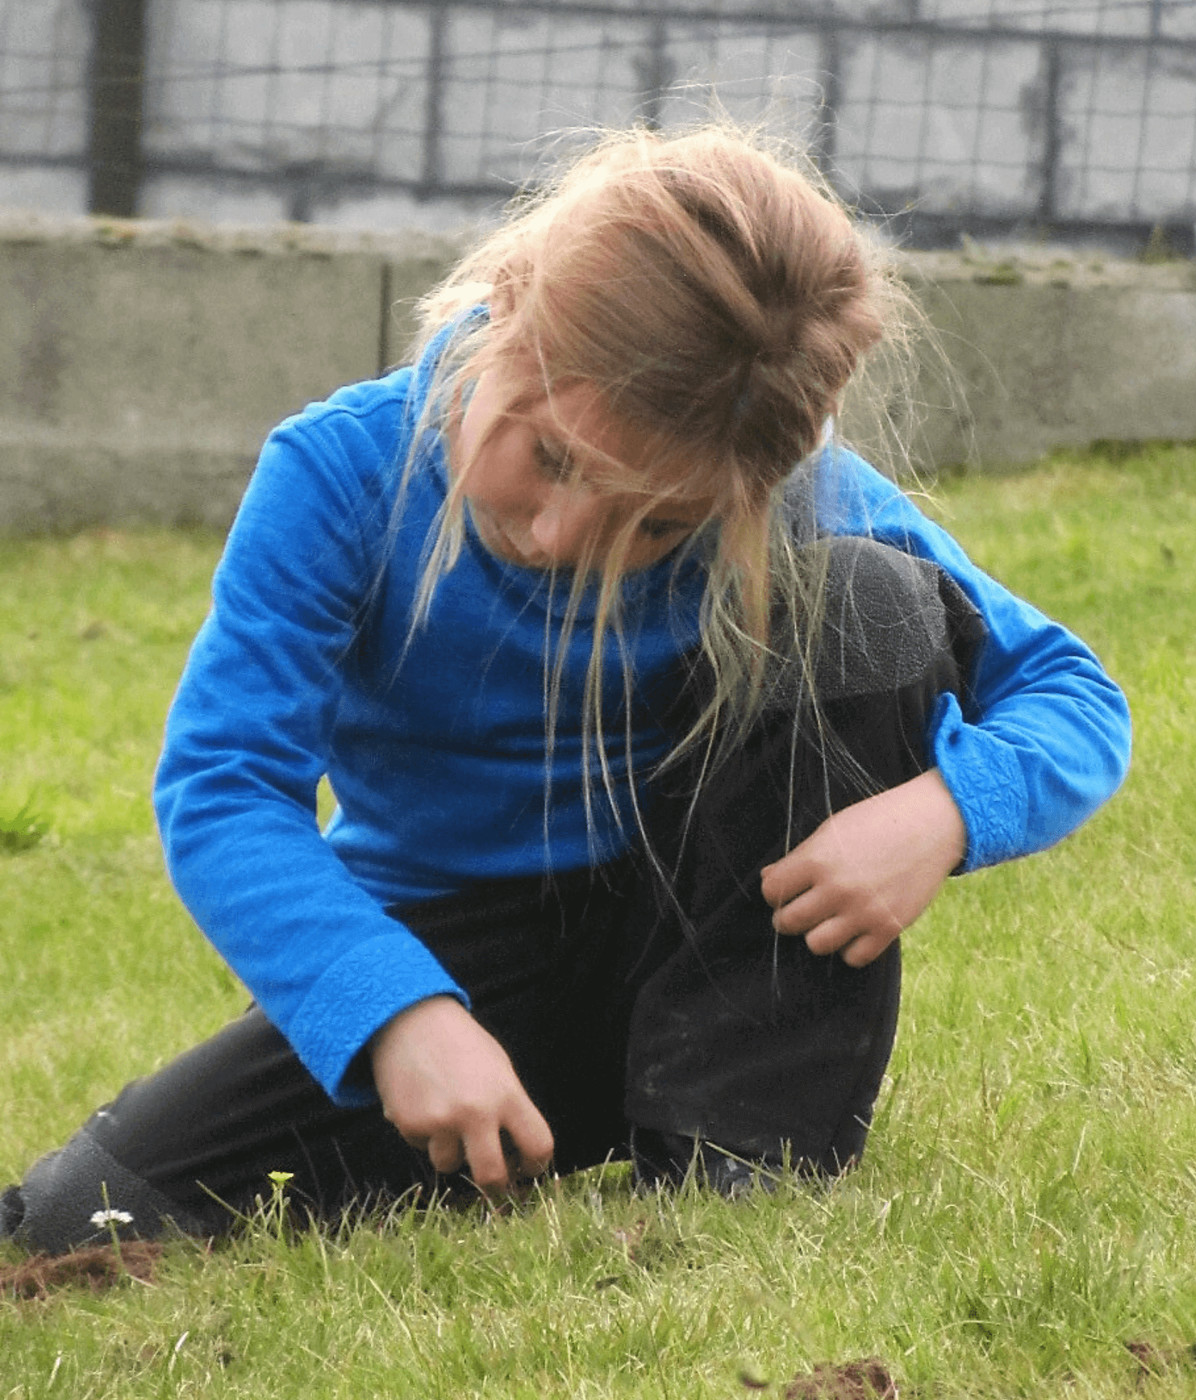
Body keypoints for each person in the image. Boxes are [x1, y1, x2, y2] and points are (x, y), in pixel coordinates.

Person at [1, 126, 1130, 1254]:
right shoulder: (337, 474)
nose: (563, 536)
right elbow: (225, 786)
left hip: (698, 941)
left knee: (869, 599)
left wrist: (938, 813)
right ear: (507, 302)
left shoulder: (791, 494)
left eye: (664, 520)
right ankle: (505, 1110)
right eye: (551, 458)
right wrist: (399, 1015)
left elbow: (1073, 694)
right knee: (77, 1218)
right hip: (450, 978)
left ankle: (738, 1166)